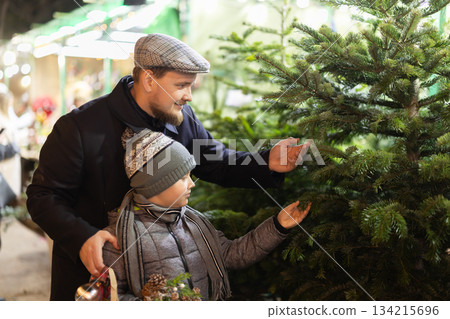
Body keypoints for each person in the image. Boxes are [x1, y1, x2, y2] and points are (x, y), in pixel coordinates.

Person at [26, 33, 307, 301]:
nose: (189, 97)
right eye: (181, 85)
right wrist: (82, 237)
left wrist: (265, 161)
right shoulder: (78, 127)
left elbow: (215, 161)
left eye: (191, 86)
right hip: (95, 280)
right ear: (149, 80)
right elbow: (42, 197)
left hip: (167, 285)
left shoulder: (181, 117)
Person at [102, 128, 311, 300]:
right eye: (183, 178)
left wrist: (277, 226)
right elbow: (113, 298)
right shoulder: (119, 238)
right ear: (158, 184)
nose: (192, 183)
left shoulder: (194, 224)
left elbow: (232, 254)